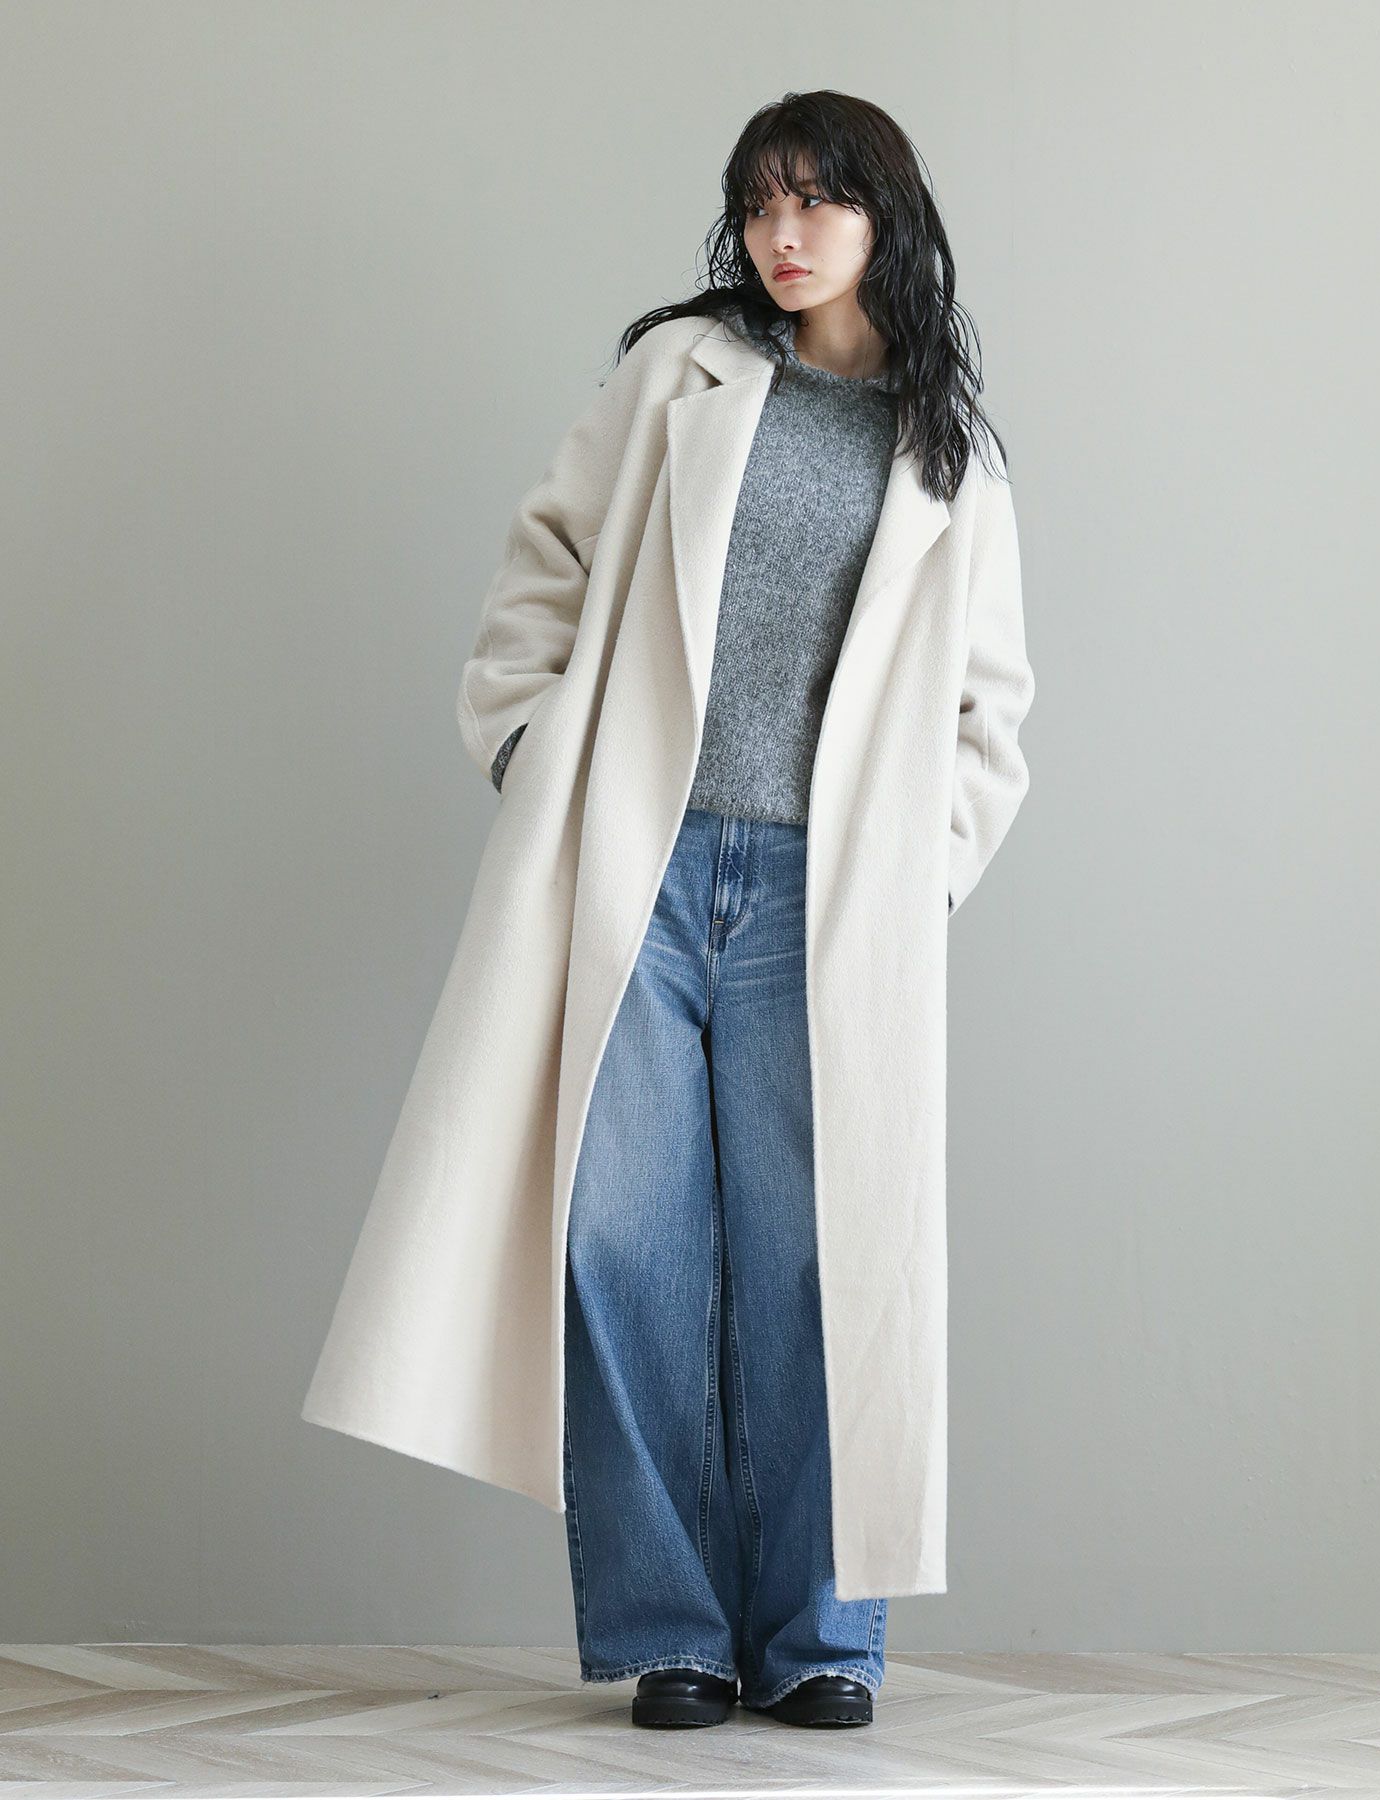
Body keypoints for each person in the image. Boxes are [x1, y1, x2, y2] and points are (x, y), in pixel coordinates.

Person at [300, 85, 1034, 1737]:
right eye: (761, 203)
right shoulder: (678, 377)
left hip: (819, 908)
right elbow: (542, 572)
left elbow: (990, 716)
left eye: (817, 202)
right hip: (642, 864)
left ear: (885, 220)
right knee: (621, 1239)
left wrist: (908, 883)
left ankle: (822, 1639)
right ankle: (673, 1629)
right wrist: (535, 762)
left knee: (812, 1261)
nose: (783, 235)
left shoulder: (948, 452)